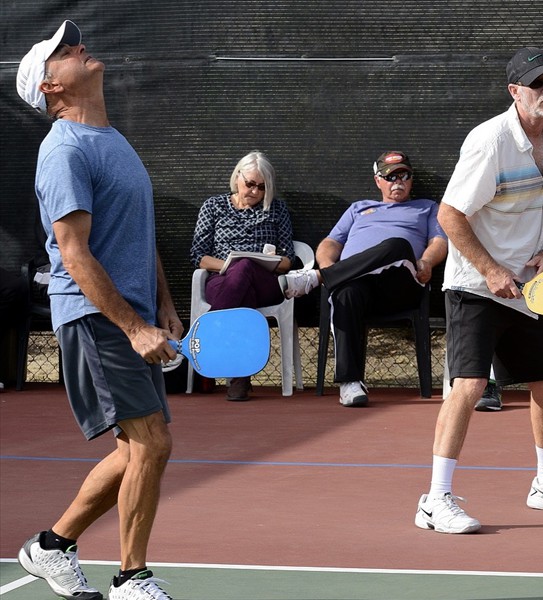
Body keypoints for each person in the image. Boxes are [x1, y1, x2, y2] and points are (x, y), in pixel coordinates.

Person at [16, 20, 180, 600]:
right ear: (50, 87)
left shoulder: (112, 140)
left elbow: (138, 232)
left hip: (132, 312)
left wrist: (163, 302)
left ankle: (52, 547)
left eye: (73, 42)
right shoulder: (63, 149)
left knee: (137, 448)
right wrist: (133, 327)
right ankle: (132, 578)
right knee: (151, 443)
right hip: (95, 316)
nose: (78, 48)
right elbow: (73, 251)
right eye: (62, 52)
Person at [415, 47, 543, 535]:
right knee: (469, 387)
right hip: (476, 286)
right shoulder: (489, 141)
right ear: (514, 91)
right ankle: (435, 501)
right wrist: (492, 270)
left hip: (528, 289)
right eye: (537, 83)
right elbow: (449, 215)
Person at [282, 151, 448, 407]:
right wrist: (327, 262)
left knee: (397, 244)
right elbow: (330, 243)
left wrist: (426, 262)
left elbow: (439, 241)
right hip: (358, 285)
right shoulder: (358, 208)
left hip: (399, 283)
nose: (398, 182)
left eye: (404, 175)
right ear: (378, 180)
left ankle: (318, 278)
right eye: (391, 176)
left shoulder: (427, 207)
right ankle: (350, 383)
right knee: (345, 293)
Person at [190, 150, 299, 401]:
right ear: (237, 177)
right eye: (250, 184)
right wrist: (230, 266)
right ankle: (240, 379)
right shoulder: (213, 206)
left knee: (247, 266)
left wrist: (265, 262)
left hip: (266, 282)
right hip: (222, 278)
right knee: (242, 284)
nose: (255, 192)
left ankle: (211, 338)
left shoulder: (276, 209)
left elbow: (288, 260)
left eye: (261, 187)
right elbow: (198, 256)